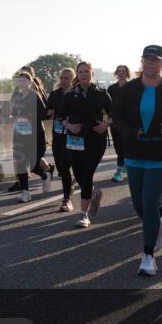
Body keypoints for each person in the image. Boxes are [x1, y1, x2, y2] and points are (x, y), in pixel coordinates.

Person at [112, 46, 162, 276]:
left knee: (148, 201)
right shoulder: (129, 89)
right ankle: (157, 223)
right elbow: (116, 117)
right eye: (147, 59)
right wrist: (130, 131)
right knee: (139, 204)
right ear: (142, 62)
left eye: (155, 60)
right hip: (135, 152)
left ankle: (148, 256)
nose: (150, 64)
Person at [62, 61, 113, 228]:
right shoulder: (69, 95)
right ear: (77, 74)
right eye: (81, 71)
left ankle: (83, 215)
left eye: (86, 71)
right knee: (78, 173)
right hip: (75, 140)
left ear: (92, 74)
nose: (83, 74)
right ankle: (95, 194)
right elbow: (60, 117)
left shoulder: (101, 94)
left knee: (87, 173)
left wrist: (105, 125)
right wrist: (69, 126)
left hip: (95, 139)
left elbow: (115, 114)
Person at [9, 71, 51, 202]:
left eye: (24, 80)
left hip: (36, 135)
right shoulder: (17, 97)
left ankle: (45, 175)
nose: (21, 82)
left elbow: (44, 114)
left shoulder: (35, 96)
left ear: (30, 82)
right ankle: (25, 192)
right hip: (20, 134)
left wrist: (29, 117)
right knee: (21, 164)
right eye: (19, 80)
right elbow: (14, 113)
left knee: (33, 166)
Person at [47, 67, 76, 211]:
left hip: (73, 136)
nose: (64, 80)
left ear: (72, 79)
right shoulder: (54, 94)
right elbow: (47, 110)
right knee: (61, 167)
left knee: (68, 166)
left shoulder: (76, 94)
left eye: (67, 78)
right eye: (62, 78)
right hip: (57, 135)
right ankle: (70, 183)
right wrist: (50, 111)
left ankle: (66, 199)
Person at [107, 65, 131, 182]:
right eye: (119, 71)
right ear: (116, 73)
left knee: (126, 146)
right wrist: (109, 117)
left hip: (128, 123)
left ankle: (119, 171)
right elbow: (108, 106)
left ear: (127, 73)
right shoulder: (111, 88)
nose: (121, 73)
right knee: (118, 147)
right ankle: (122, 167)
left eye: (123, 71)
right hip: (114, 122)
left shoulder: (132, 87)